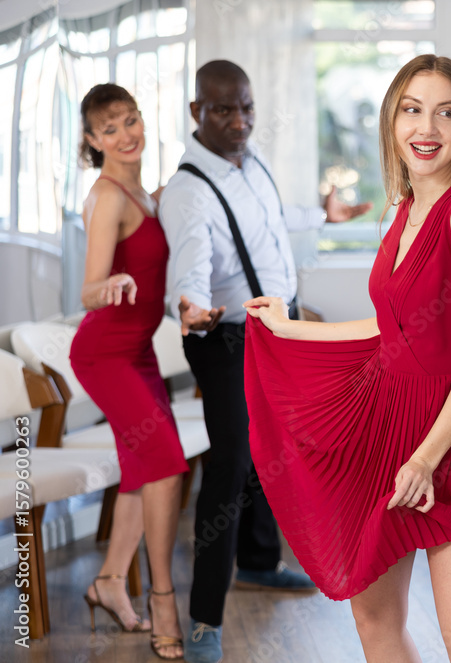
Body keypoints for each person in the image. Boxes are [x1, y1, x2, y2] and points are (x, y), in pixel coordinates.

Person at [242, 53, 451, 662]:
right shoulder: (403, 210)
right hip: (382, 427)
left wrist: (425, 459)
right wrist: (288, 330)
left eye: (447, 113)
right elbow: (391, 331)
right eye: (413, 111)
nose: (428, 129)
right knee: (376, 625)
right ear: (392, 121)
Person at [158, 60, 372, 663]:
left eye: (246, 107)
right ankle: (203, 620)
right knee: (227, 467)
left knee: (266, 449)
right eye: (224, 110)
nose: (240, 121)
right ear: (197, 112)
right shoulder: (188, 191)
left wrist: (322, 217)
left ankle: (257, 560)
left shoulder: (252, 163)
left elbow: (271, 223)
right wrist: (190, 304)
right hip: (223, 338)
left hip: (272, 328)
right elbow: (191, 271)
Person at [69, 83, 186, 660]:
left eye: (131, 120)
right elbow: (87, 291)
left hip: (137, 351)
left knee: (146, 466)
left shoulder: (143, 194)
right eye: (110, 128)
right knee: (164, 462)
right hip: (105, 353)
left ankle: (110, 581)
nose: (126, 134)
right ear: (93, 141)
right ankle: (163, 599)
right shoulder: (111, 195)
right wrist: (108, 285)